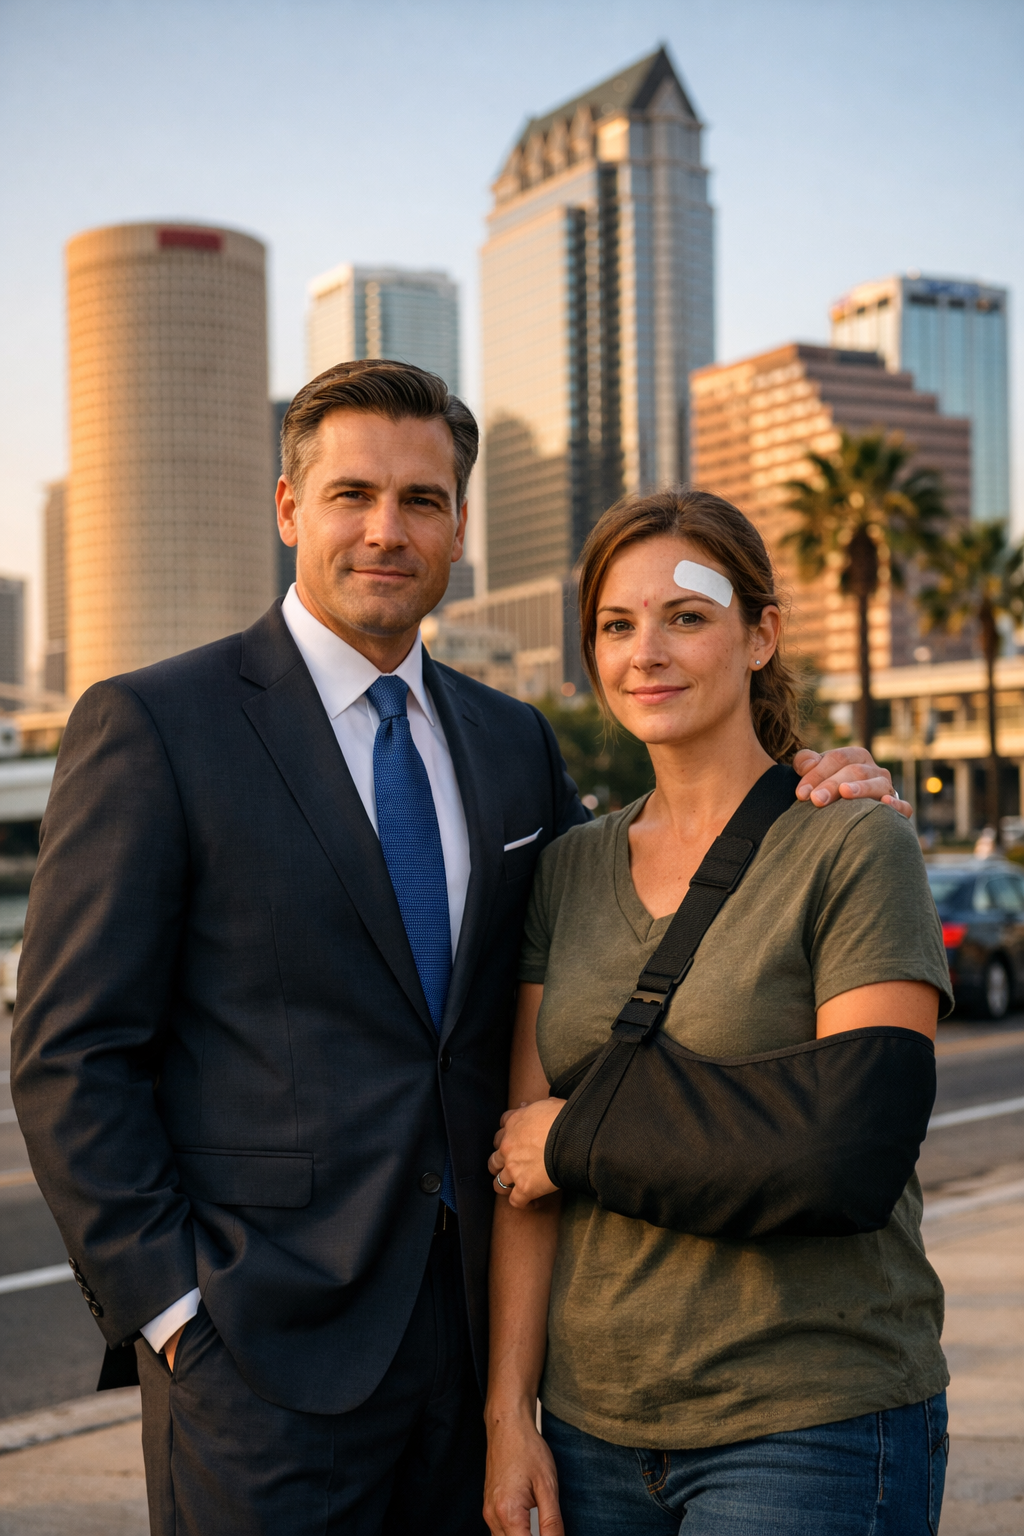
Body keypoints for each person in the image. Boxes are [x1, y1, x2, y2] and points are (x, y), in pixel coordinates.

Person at [12, 364, 904, 1536]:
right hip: (262, 1362)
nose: (387, 530)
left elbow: (654, 901)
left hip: (488, 1362)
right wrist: (175, 1313)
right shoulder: (157, 728)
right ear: (289, 509)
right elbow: (72, 1053)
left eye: (422, 501)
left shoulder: (510, 742)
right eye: (353, 495)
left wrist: (820, 778)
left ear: (460, 527)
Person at [484, 490, 951, 1536]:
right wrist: (508, 1415)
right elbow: (524, 1176)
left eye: (685, 617)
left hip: (808, 1422)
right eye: (616, 624)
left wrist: (581, 1138)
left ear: (759, 636)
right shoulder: (567, 871)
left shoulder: (851, 843)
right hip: (591, 1431)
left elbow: (854, 1152)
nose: (645, 651)